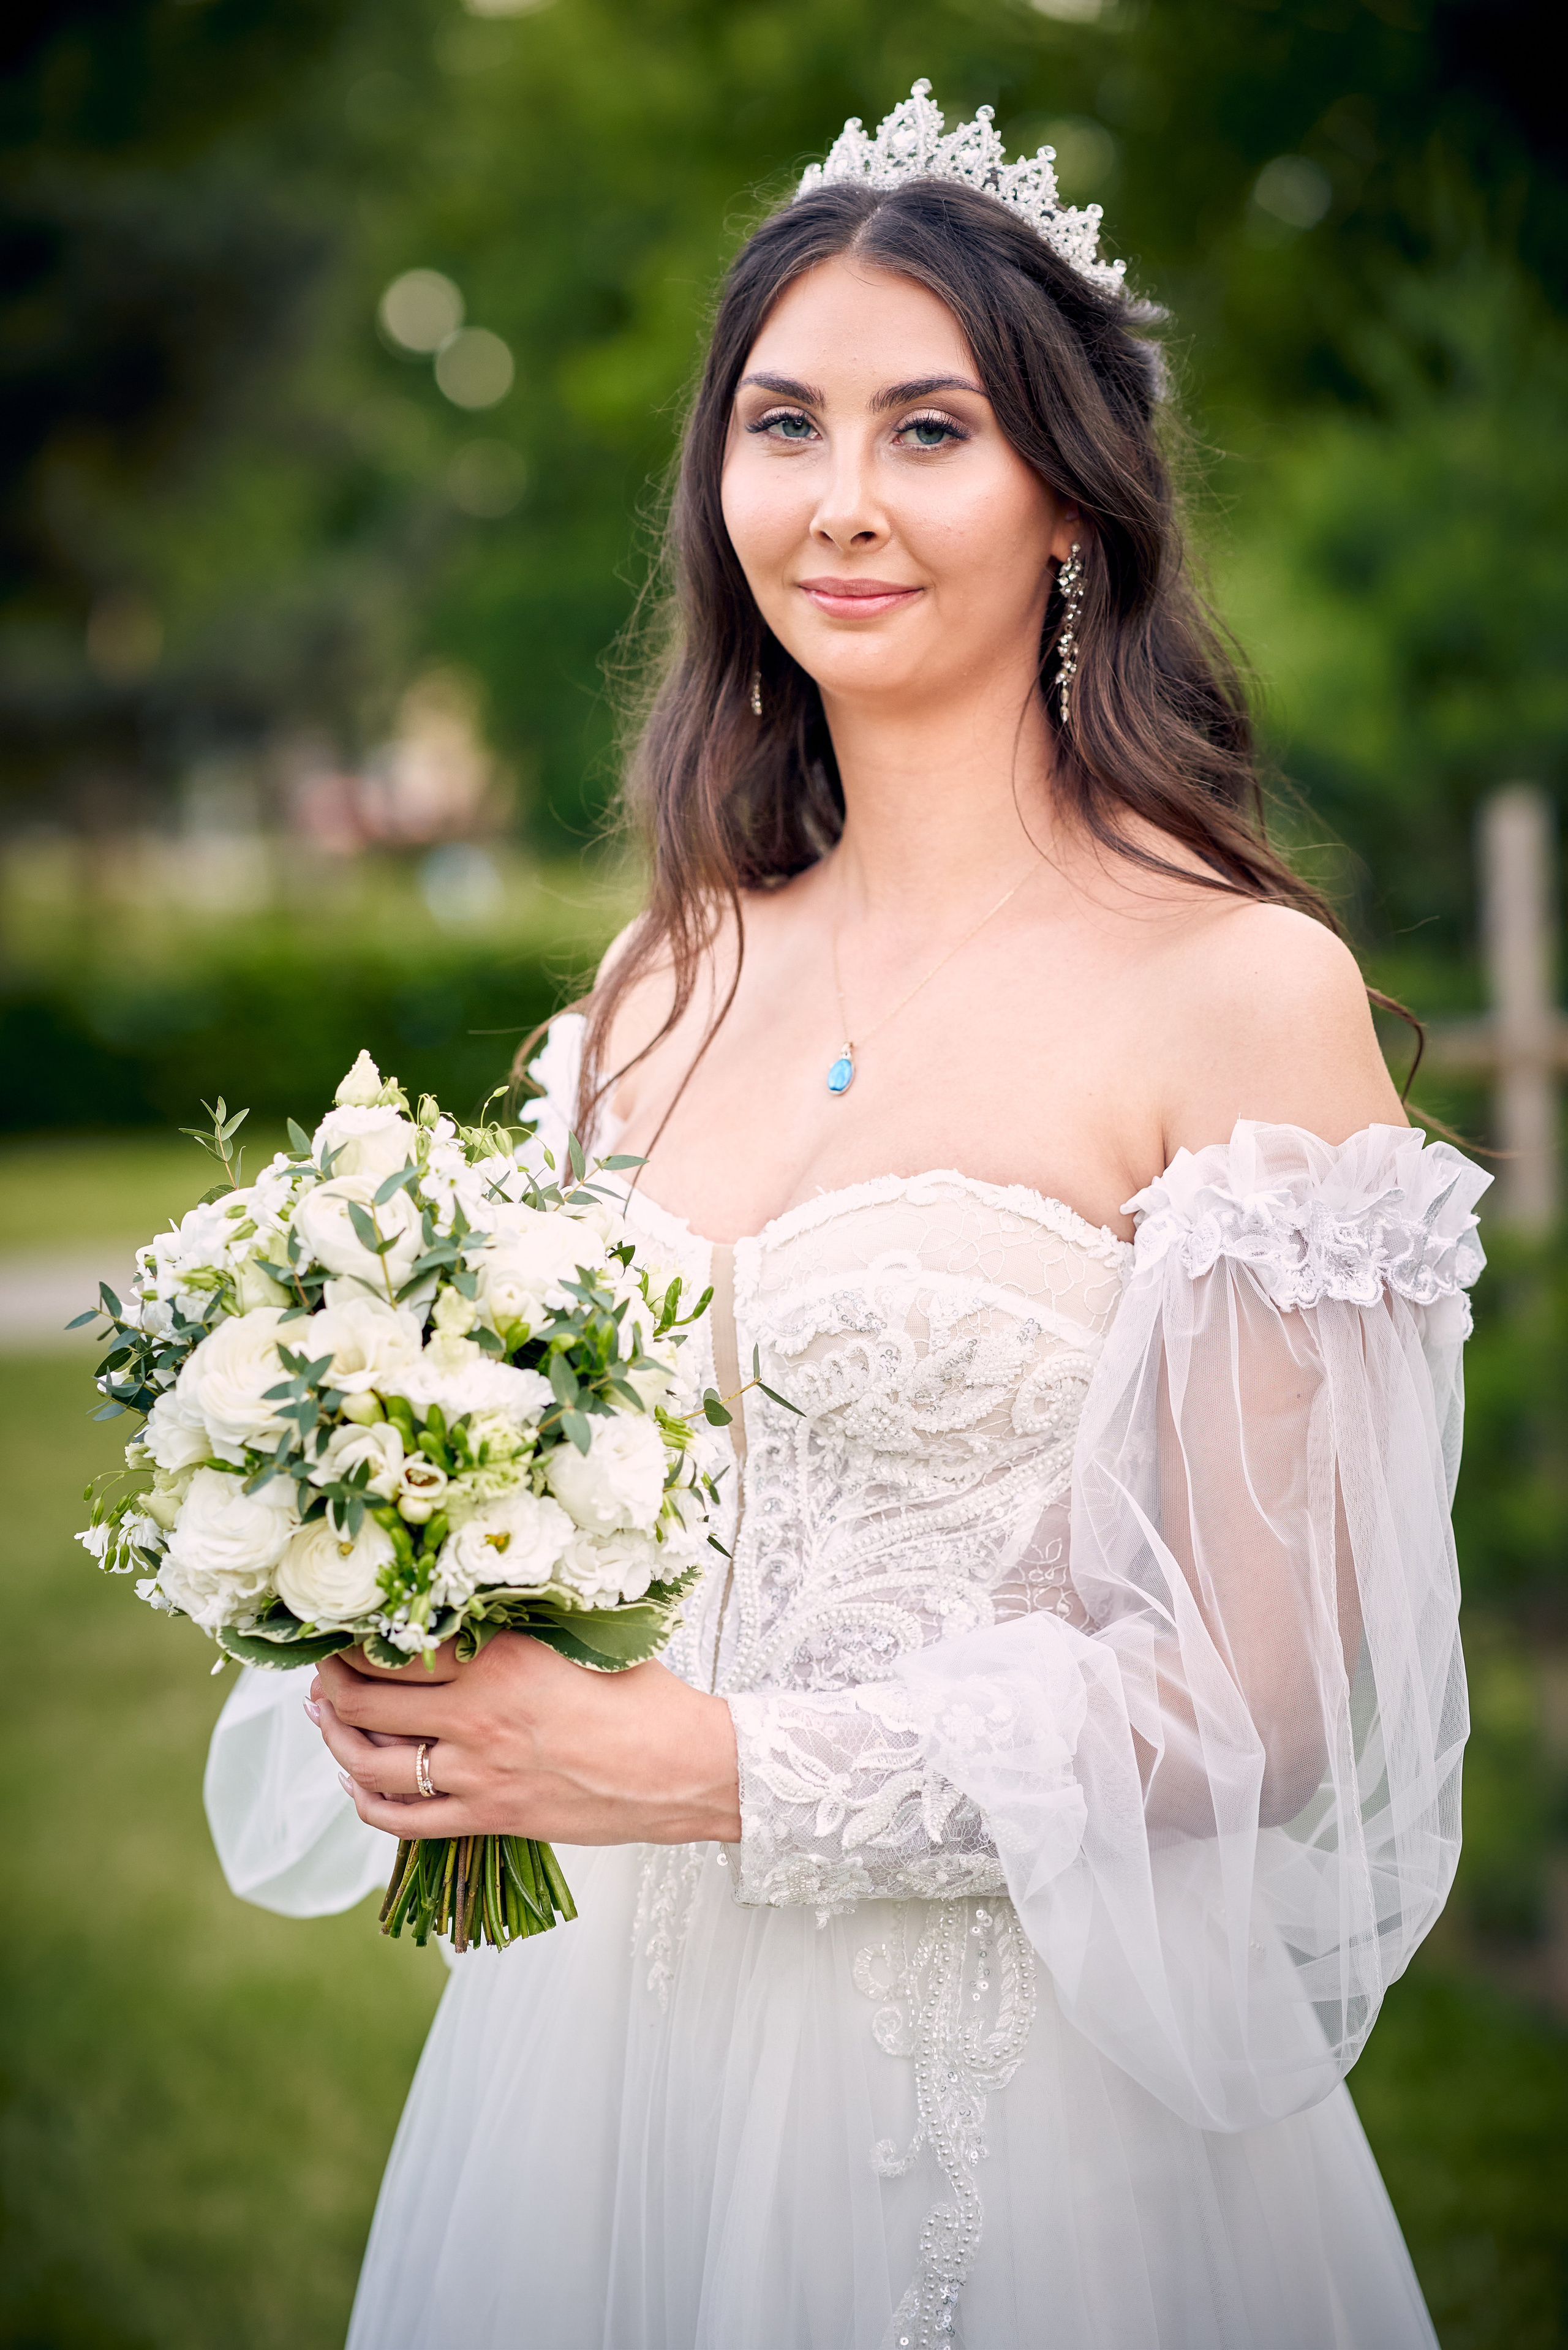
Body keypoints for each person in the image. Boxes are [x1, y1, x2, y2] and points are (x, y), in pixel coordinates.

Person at [205, 85, 1485, 2349]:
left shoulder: (1237, 990)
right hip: (597, 2055)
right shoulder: (656, 985)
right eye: (784, 425)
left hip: (1009, 2083)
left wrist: (723, 1772)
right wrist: (391, 1610)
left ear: (1074, 501)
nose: (844, 502)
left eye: (932, 430)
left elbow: (1270, 1701)